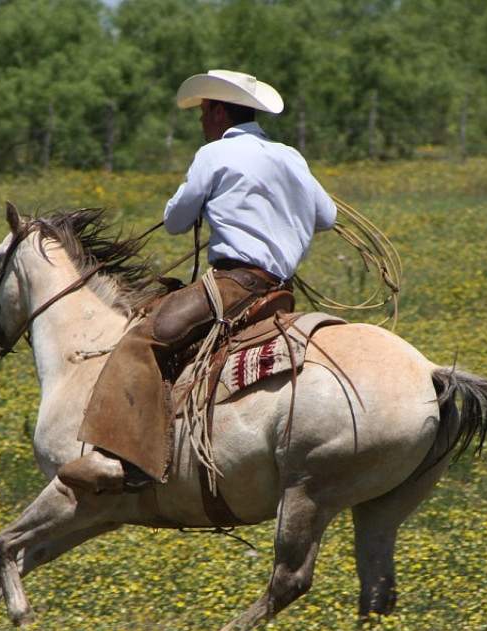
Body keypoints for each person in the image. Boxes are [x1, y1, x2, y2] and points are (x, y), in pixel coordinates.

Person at [57, 70, 337, 495]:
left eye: (205, 111)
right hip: (279, 287)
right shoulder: (290, 156)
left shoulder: (213, 155)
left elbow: (174, 222)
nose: (202, 121)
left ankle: (120, 460)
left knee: (143, 340)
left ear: (221, 111)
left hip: (234, 285)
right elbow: (327, 217)